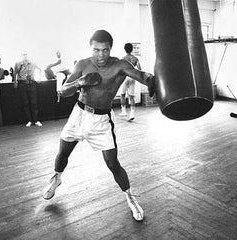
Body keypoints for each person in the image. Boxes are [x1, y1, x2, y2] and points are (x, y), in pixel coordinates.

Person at [42, 30, 155, 222]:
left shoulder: (120, 65)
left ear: (110, 48)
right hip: (78, 115)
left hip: (102, 121)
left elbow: (142, 76)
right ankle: (57, 177)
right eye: (96, 50)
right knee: (62, 153)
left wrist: (153, 79)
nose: (100, 54)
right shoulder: (83, 64)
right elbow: (64, 91)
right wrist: (80, 82)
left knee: (113, 163)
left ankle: (130, 197)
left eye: (105, 50)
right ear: (90, 48)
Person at [13, 53, 42, 127]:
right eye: (23, 55)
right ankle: (29, 120)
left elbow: (40, 69)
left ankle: (35, 120)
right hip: (22, 84)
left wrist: (39, 78)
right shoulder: (18, 64)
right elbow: (15, 73)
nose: (25, 56)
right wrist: (15, 82)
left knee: (34, 102)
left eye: (26, 54)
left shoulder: (33, 63)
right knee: (25, 102)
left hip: (32, 83)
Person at [119, 43, 141, 121]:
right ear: (132, 49)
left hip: (125, 78)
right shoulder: (135, 58)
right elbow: (139, 69)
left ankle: (124, 111)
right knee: (131, 96)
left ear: (125, 49)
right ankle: (132, 114)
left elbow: (120, 70)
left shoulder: (123, 59)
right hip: (132, 77)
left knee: (122, 95)